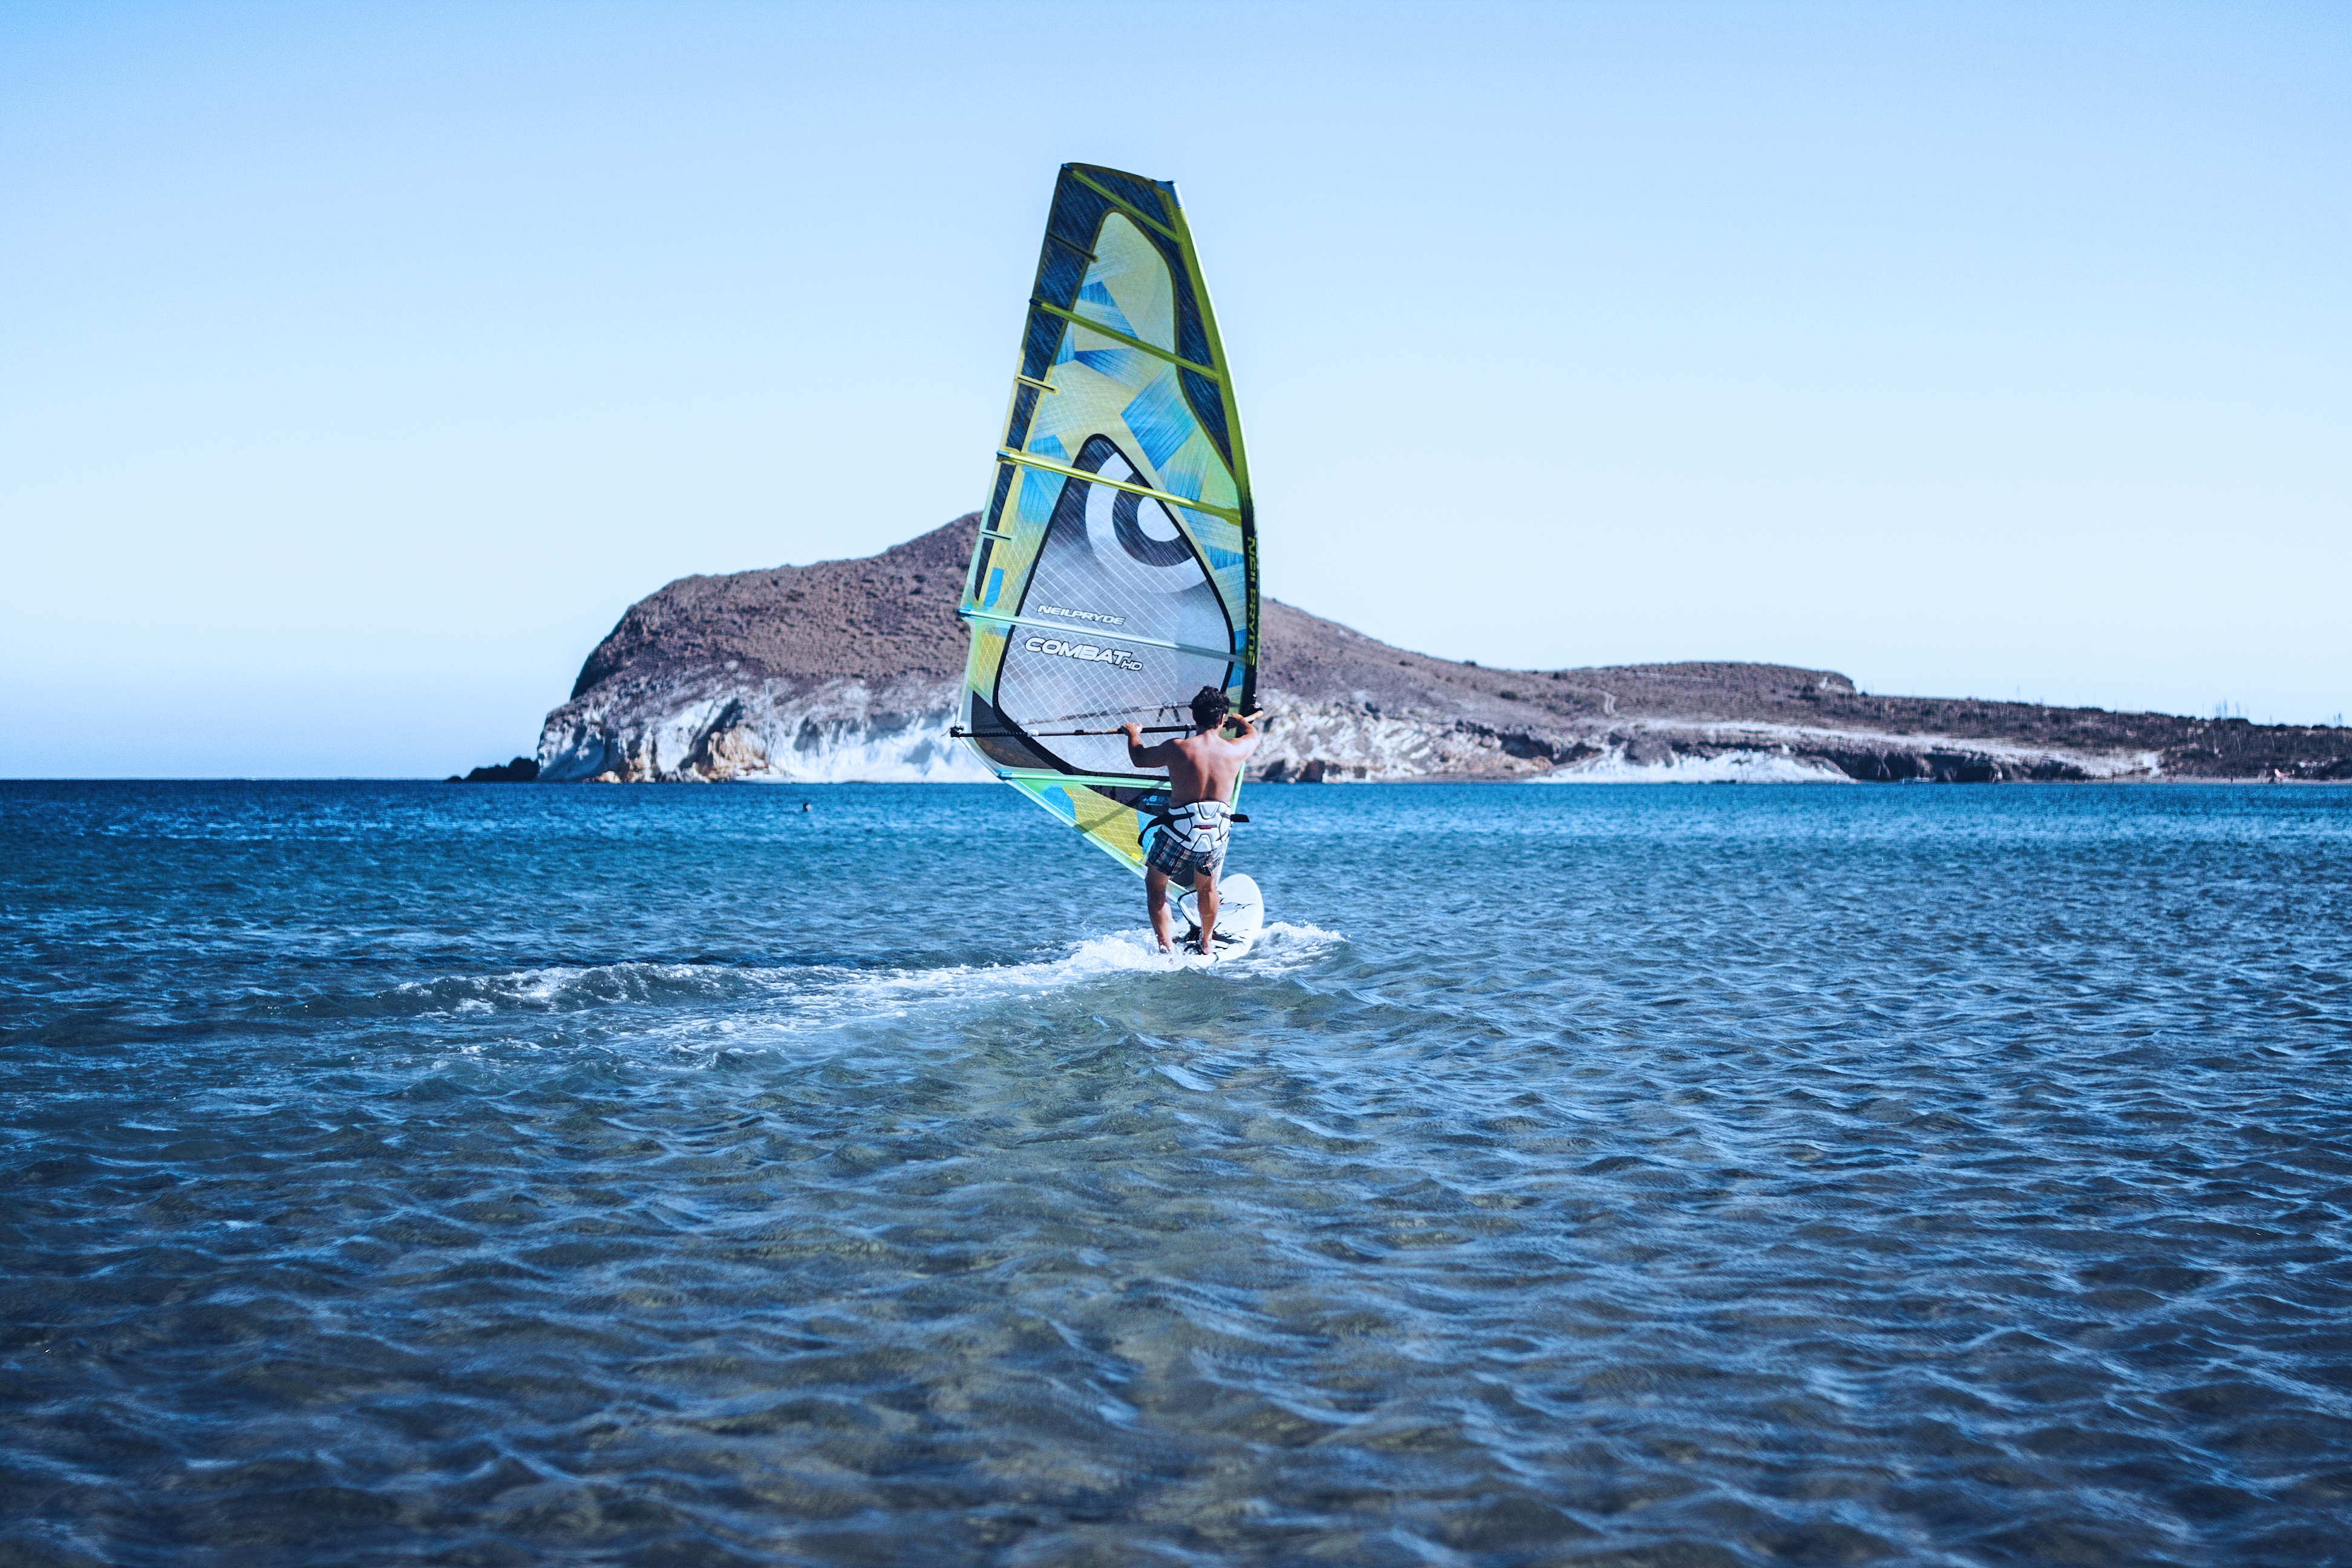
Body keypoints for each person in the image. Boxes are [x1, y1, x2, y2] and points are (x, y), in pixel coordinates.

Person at [1121, 687, 1263, 958]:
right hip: (1215, 834)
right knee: (1207, 888)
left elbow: (1139, 759)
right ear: (1222, 719)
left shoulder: (1178, 748)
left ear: (1194, 716)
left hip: (1178, 833)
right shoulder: (1235, 750)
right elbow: (1253, 737)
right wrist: (1242, 722)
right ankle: (1207, 942)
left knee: (1156, 886)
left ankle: (1167, 949)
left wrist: (1133, 735)